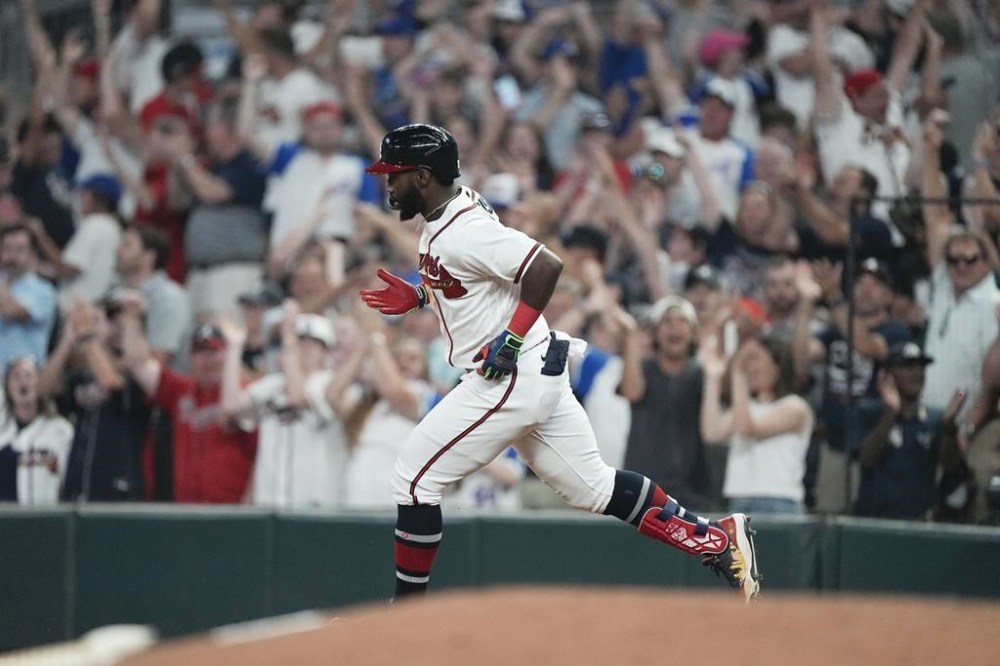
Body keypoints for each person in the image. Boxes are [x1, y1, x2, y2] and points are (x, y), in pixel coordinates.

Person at [360, 124, 760, 602]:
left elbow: (545, 266)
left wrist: (509, 338)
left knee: (413, 478)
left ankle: (408, 615)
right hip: (536, 366)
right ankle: (716, 540)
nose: (388, 183)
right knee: (593, 488)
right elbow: (477, 279)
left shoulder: (464, 229)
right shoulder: (450, 211)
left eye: (395, 174)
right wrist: (424, 294)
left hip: (510, 372)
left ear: (423, 176)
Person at [120, 292, 256, 503]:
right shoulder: (181, 391)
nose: (208, 360)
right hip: (188, 511)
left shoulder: (246, 396)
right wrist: (132, 319)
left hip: (233, 513)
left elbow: (259, 459)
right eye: (200, 352)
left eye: (214, 352)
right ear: (191, 358)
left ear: (227, 355)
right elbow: (138, 364)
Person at [221, 300, 348, 509]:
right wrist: (234, 349)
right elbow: (230, 408)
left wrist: (288, 335)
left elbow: (296, 397)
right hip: (269, 503)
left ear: (326, 352)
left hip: (315, 506)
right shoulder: (272, 385)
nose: (302, 349)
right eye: (300, 342)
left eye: (311, 343)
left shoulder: (328, 383)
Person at [700, 334, 813, 515]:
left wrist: (738, 372)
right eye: (747, 361)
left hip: (778, 503)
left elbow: (747, 429)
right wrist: (713, 377)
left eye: (754, 359)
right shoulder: (746, 407)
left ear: (777, 366)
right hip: (739, 502)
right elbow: (712, 433)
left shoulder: (795, 407)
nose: (748, 366)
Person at [856, 342, 967, 520]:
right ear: (887, 376)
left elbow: (950, 466)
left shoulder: (934, 419)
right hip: (873, 522)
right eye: (907, 366)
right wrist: (890, 413)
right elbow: (866, 459)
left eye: (920, 367)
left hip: (918, 522)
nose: (916, 373)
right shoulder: (869, 412)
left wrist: (949, 429)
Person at [0, 356, 74, 505]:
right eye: (16, 377)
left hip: (49, 519)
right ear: (7, 387)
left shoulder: (61, 430)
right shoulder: (2, 431)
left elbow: (71, 481)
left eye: (29, 376)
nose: (23, 382)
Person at [0, 224, 58, 373]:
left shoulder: (43, 290)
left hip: (25, 380)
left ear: (32, 256)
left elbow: (10, 311)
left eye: (20, 250)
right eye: (7, 249)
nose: (12, 257)